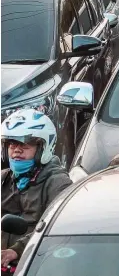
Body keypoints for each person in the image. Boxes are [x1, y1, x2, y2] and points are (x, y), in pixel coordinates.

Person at [1, 109, 72, 267]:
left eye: (25, 144)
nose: (16, 150)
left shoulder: (57, 183)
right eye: (12, 143)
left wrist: (17, 250)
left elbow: (57, 229)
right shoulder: (3, 178)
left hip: (37, 263)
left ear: (42, 148)